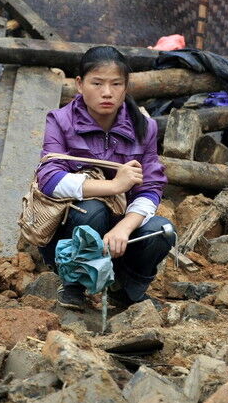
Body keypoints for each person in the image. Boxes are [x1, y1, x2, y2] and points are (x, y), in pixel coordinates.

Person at [36, 45, 174, 311]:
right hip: (71, 228)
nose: (107, 92)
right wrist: (114, 185)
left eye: (116, 84)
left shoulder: (144, 127)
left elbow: (151, 187)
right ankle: (73, 285)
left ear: (126, 87)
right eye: (97, 83)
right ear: (79, 84)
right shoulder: (60, 121)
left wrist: (124, 228)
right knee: (92, 211)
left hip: (120, 236)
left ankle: (126, 291)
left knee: (160, 231)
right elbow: (50, 180)